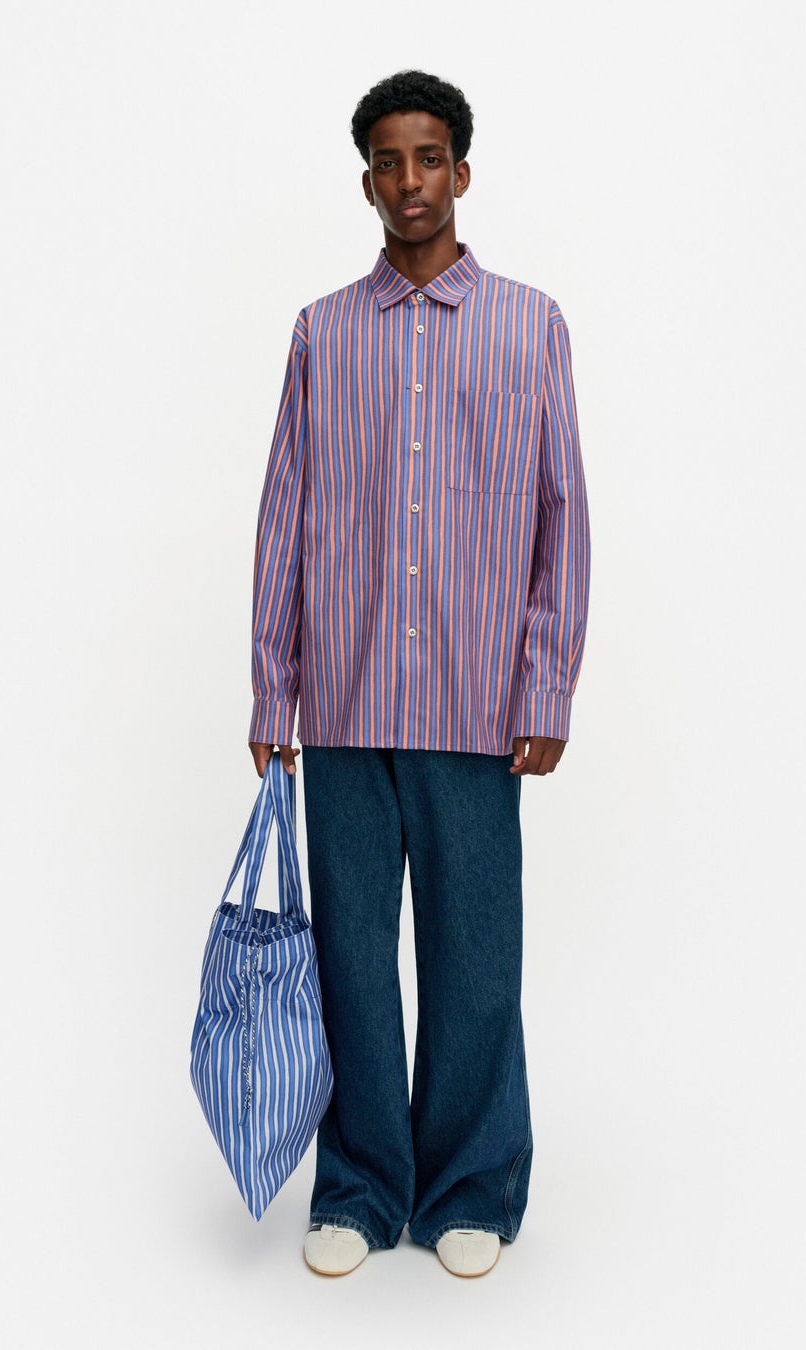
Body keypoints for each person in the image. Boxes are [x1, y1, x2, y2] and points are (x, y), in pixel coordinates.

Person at [247, 69, 591, 1278]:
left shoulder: (531, 326)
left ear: (461, 171)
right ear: (366, 181)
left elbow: (561, 514)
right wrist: (272, 687)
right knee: (349, 960)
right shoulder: (321, 332)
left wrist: (546, 687)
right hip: (343, 705)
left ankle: (470, 1190)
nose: (410, 181)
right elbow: (284, 518)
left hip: (475, 705)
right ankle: (358, 1189)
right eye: (388, 161)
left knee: (472, 960)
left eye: (429, 157)